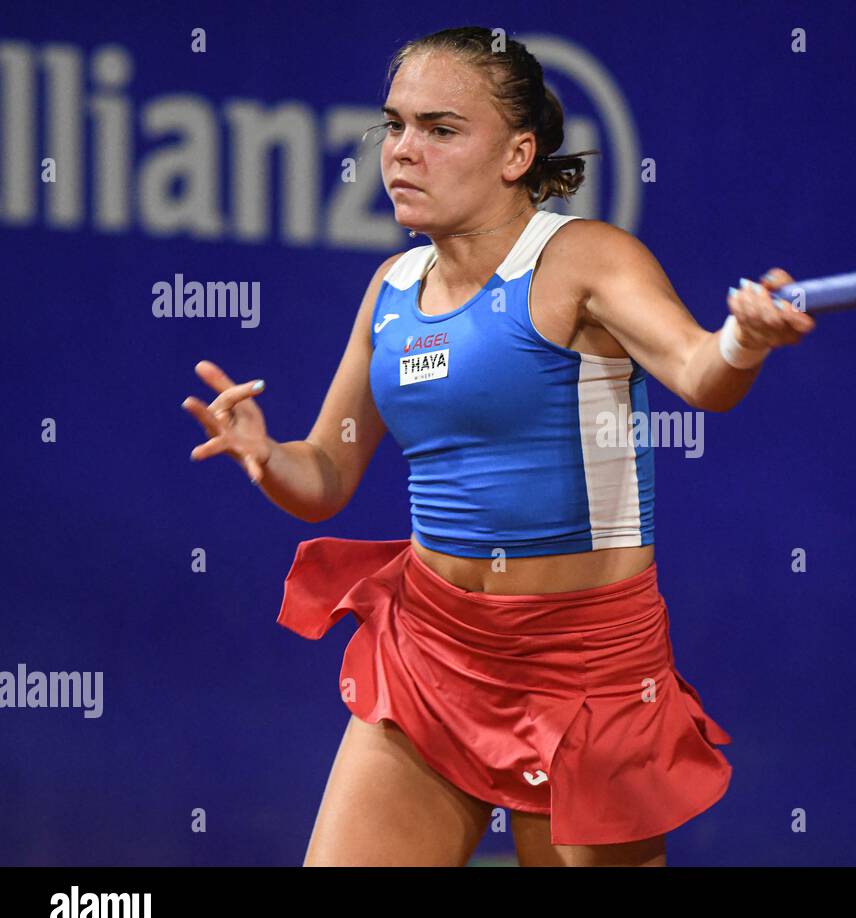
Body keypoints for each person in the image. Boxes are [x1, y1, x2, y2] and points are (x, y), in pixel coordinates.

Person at [180, 26, 816, 867]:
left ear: (518, 153)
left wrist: (743, 341)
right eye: (395, 125)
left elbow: (701, 374)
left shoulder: (584, 258)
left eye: (441, 130)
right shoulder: (393, 290)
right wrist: (267, 456)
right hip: (429, 653)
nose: (404, 152)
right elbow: (327, 472)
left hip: (585, 673)